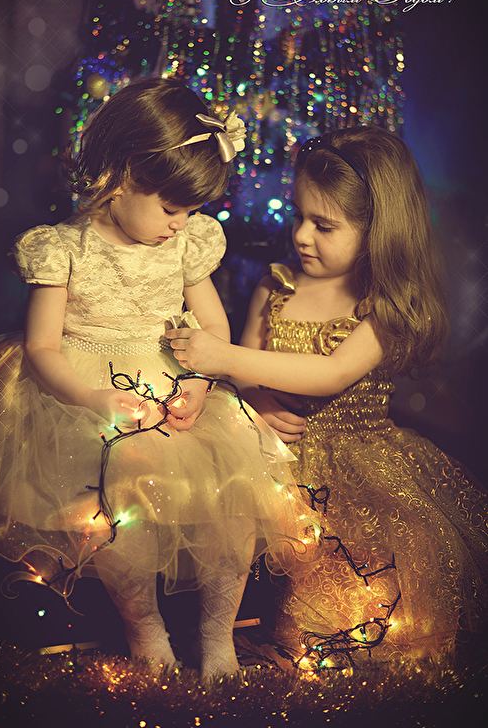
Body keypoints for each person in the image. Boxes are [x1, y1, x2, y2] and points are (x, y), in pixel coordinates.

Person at [0, 78, 321, 682]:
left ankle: (218, 637)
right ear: (121, 179)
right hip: (89, 388)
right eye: (171, 210)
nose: (181, 225)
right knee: (125, 495)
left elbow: (213, 326)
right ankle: (146, 631)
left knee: (234, 490)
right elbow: (42, 346)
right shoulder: (63, 248)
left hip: (173, 380)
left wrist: (199, 381)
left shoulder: (186, 243)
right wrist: (91, 398)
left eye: (191, 212)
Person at [167, 126, 488, 665]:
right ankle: (218, 637)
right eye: (298, 216)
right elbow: (250, 370)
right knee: (235, 523)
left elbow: (332, 372)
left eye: (324, 225)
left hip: (358, 463)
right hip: (274, 458)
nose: (301, 235)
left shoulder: (384, 307)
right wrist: (257, 403)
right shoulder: (277, 285)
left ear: (378, 231)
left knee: (358, 597)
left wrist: (222, 358)